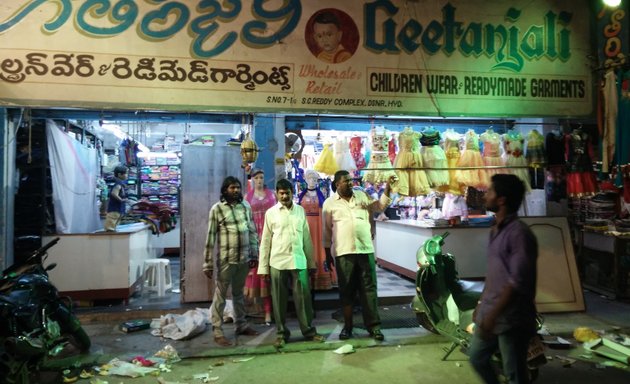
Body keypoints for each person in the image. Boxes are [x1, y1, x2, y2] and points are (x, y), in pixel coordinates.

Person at [469, 174, 539, 384]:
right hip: (491, 310)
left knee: (515, 373)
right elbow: (495, 275)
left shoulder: (519, 234)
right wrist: (481, 305)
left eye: (490, 192)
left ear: (501, 200)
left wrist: (493, 313)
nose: (485, 196)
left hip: (512, 317)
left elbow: (517, 280)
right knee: (477, 358)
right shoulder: (496, 230)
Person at [322, 170, 395, 341]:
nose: (349, 183)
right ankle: (348, 328)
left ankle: (374, 327)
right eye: (345, 181)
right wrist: (327, 255)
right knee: (347, 292)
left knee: (369, 290)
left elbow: (380, 206)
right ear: (337, 184)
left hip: (365, 250)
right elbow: (326, 232)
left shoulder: (362, 196)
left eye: (350, 180)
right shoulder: (329, 203)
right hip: (343, 253)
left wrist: (388, 188)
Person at [257, 179, 324, 348]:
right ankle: (281, 333)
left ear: (292, 193)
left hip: (298, 260)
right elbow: (265, 241)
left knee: (304, 299)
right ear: (277, 194)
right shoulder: (271, 213)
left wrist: (311, 262)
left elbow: (306, 238)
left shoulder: (300, 211)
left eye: (287, 193)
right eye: (281, 193)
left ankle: (308, 331)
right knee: (279, 302)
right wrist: (263, 267)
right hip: (277, 262)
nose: (285, 196)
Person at [204, 176, 260, 347]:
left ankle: (241, 325)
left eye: (237, 187)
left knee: (238, 294)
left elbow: (252, 232)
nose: (236, 190)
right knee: (220, 296)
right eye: (232, 188)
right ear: (225, 190)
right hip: (226, 260)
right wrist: (207, 263)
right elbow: (210, 237)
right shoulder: (217, 209)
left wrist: (254, 254)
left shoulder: (245, 206)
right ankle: (217, 330)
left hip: (244, 258)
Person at [244, 168, 276, 325]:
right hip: (255, 239)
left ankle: (272, 310)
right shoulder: (247, 197)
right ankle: (263, 311)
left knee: (271, 274)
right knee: (258, 275)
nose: (259, 180)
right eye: (256, 178)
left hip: (272, 237)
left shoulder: (272, 195)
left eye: (261, 177)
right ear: (252, 179)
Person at [104, 165, 128, 231]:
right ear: (120, 174)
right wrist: (121, 200)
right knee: (110, 226)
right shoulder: (118, 184)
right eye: (126, 173)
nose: (127, 175)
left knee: (113, 225)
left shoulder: (120, 184)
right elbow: (114, 193)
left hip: (118, 208)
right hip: (115, 208)